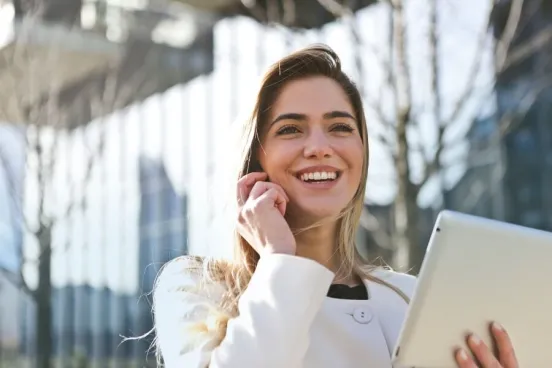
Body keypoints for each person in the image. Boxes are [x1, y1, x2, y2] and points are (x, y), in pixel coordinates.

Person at [152, 45, 518, 368]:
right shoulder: (194, 287)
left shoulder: (411, 297)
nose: (319, 147)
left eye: (340, 127)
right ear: (254, 159)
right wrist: (280, 259)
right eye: (291, 129)